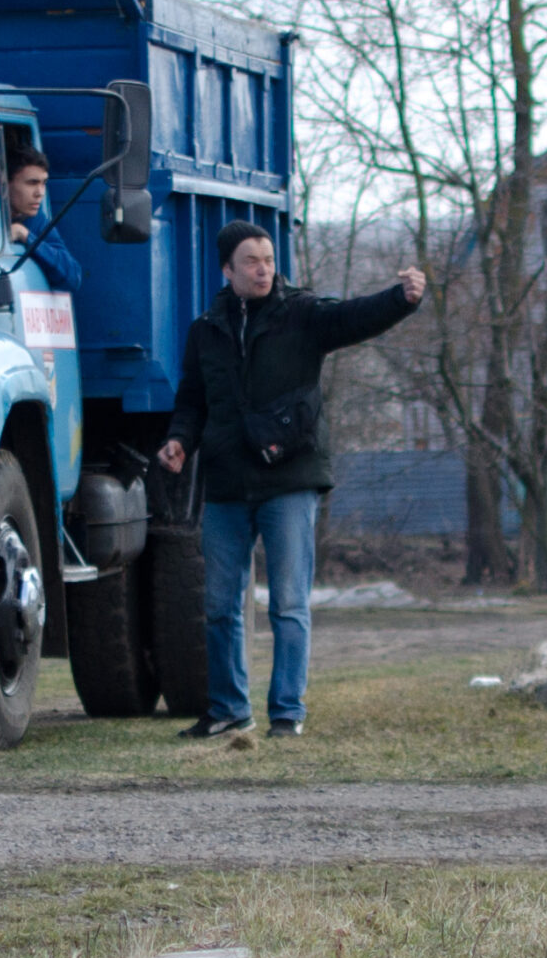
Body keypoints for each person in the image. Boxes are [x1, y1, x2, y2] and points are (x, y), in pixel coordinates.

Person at [157, 221, 425, 741]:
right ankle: (228, 709)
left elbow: (354, 317)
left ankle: (286, 713)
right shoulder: (205, 330)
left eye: (268, 259)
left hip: (289, 478)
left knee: (287, 603)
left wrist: (402, 299)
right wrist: (179, 440)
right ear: (227, 270)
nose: (263, 269)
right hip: (227, 484)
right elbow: (192, 398)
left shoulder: (301, 313)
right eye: (251, 261)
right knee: (219, 606)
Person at [4, 146, 79, 289]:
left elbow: (73, 277)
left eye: (43, 183)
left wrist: (25, 235)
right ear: (5, 184)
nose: (40, 193)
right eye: (32, 183)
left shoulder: (35, 220)